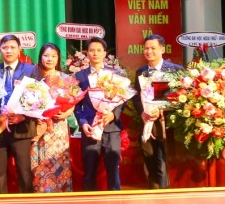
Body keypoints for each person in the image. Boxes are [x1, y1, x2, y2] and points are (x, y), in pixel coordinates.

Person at [132, 34, 183, 189]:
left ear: (162, 49)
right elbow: (136, 96)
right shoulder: (141, 72)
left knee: (168, 160)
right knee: (150, 158)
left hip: (168, 123)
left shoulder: (176, 70)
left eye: (153, 48)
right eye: (146, 48)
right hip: (148, 122)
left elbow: (182, 96)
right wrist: (142, 112)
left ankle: (169, 194)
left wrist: (161, 110)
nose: (149, 51)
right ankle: (154, 193)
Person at [74, 37, 126, 191]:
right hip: (91, 129)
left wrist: (113, 115)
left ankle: (115, 201)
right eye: (91, 50)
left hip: (111, 128)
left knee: (113, 171)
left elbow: (123, 100)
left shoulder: (116, 74)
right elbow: (76, 104)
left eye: (98, 50)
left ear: (104, 53)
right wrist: (83, 123)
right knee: (89, 171)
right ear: (87, 53)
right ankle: (89, 203)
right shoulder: (79, 76)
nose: (95, 53)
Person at [0, 34, 38, 194]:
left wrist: (23, 116)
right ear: (0, 50)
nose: (8, 51)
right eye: (5, 47)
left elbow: (38, 98)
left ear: (19, 50)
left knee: (24, 172)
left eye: (12, 47)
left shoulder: (31, 70)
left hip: (21, 128)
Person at [31, 43, 73, 193]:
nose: (49, 59)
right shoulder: (33, 78)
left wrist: (67, 113)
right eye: (46, 55)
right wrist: (36, 115)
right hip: (39, 126)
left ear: (58, 58)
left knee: (59, 161)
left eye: (53, 56)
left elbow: (72, 101)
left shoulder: (66, 79)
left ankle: (62, 196)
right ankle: (40, 195)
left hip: (58, 128)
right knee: (40, 164)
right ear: (41, 57)